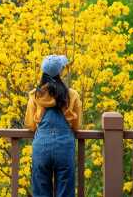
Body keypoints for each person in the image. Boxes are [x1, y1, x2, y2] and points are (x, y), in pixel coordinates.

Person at [24, 54, 83, 197]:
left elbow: (31, 125)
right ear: (60, 72)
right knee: (65, 192)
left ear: (43, 73)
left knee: (41, 190)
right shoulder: (72, 95)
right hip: (64, 147)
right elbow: (77, 126)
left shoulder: (35, 95)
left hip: (41, 148)